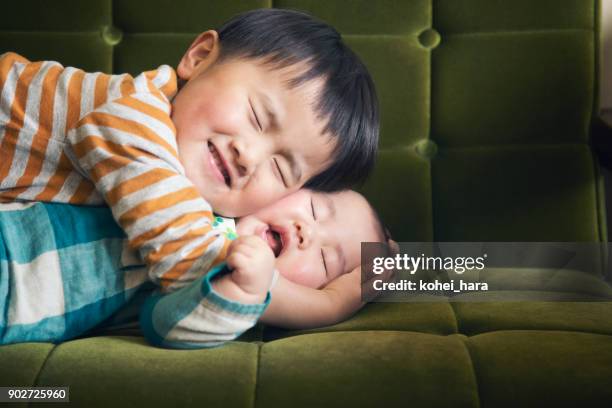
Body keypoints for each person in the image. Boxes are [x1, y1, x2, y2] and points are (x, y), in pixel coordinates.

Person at [0, 9, 379, 340]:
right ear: (199, 58)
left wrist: (242, 293)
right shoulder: (134, 114)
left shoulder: (201, 221)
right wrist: (329, 302)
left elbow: (172, 319)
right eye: (256, 117)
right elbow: (191, 258)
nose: (250, 156)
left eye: (281, 169)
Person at [0, 190, 393, 346]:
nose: (307, 231)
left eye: (326, 259)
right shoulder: (214, 190)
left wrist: (344, 296)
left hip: (17, 295)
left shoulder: (230, 275)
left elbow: (168, 325)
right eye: (314, 209)